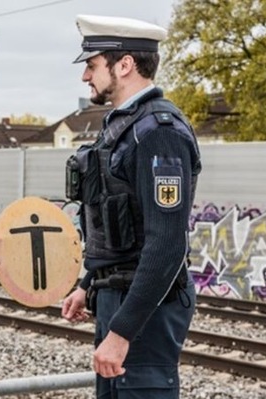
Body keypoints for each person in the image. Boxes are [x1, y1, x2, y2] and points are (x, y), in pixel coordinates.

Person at [61, 14, 202, 399]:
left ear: (124, 65)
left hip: (146, 308)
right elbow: (125, 227)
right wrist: (90, 284)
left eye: (92, 65)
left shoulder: (159, 133)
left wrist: (122, 332)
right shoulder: (123, 129)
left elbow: (167, 244)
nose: (85, 77)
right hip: (120, 297)